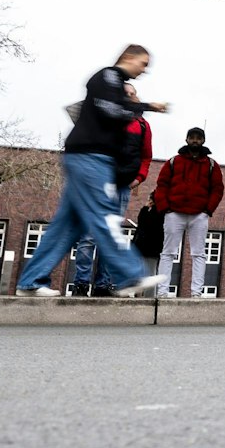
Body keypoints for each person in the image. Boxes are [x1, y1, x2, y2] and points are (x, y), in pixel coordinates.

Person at [14, 45, 167, 297]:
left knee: (67, 225)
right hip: (91, 157)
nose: (144, 70)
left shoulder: (113, 82)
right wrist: (147, 106)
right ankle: (131, 275)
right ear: (128, 58)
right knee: (103, 217)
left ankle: (30, 281)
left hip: (88, 156)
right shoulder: (109, 76)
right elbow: (111, 110)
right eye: (143, 63)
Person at [70, 86, 154, 295]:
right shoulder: (105, 117)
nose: (132, 96)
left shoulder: (143, 125)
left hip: (122, 187)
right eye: (127, 93)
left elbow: (146, 156)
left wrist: (139, 178)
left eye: (133, 93)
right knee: (89, 236)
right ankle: (81, 282)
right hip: (98, 184)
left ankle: (102, 284)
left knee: (110, 235)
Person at [154, 126, 224, 298]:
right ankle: (162, 292)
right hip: (174, 213)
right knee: (168, 252)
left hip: (199, 214)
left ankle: (196, 293)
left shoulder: (211, 165)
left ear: (203, 141)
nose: (194, 140)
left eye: (198, 138)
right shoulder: (173, 162)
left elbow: (218, 189)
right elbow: (161, 185)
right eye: (191, 137)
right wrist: (165, 208)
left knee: (198, 253)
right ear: (186, 139)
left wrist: (207, 210)